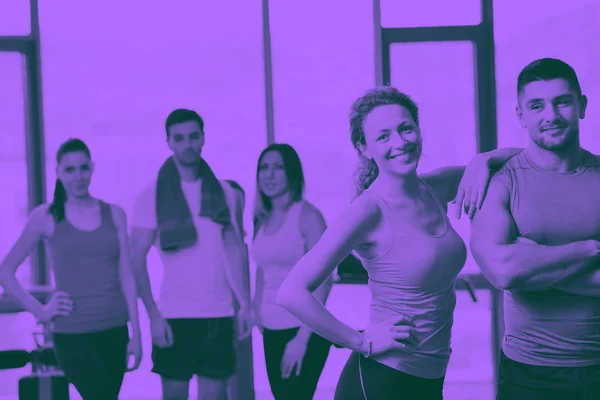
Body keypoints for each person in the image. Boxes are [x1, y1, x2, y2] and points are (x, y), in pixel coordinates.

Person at [275, 87, 522, 399]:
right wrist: (361, 341)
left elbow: (521, 163)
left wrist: (483, 159)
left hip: (430, 377)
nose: (400, 142)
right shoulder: (368, 211)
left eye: (406, 128)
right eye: (383, 136)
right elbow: (291, 292)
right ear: (364, 148)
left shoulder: (434, 187)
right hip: (382, 379)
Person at [470, 58, 600, 400]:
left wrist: (533, 262)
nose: (551, 115)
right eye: (537, 105)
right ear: (520, 115)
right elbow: (502, 272)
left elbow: (516, 271)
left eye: (562, 102)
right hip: (528, 371)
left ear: (581, 105)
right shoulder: (501, 182)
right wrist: (587, 251)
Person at [0, 138, 142, 400]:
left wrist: (137, 334)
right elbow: (5, 271)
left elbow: (127, 276)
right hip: (72, 332)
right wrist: (41, 311)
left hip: (115, 328)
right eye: (70, 170)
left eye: (83, 168)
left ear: (92, 168)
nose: (78, 176)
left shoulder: (115, 214)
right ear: (58, 172)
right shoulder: (46, 217)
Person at [129, 108, 252, 400]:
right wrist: (153, 317)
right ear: (169, 142)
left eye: (194, 136)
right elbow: (136, 259)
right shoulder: (151, 195)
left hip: (218, 315)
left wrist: (245, 304)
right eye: (180, 138)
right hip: (174, 315)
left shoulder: (225, 192)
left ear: (203, 138)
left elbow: (234, 248)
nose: (188, 144)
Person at [251, 143, 333, 400]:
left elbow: (325, 280)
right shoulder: (262, 218)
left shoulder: (308, 216)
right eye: (264, 168)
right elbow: (264, 268)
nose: (269, 174)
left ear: (292, 174)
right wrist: (255, 308)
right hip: (270, 327)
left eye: (278, 167)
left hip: (302, 329)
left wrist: (302, 339)